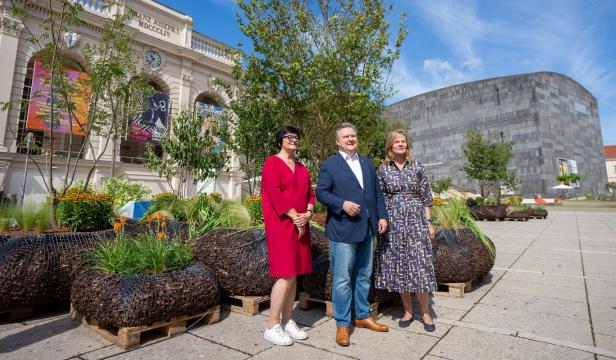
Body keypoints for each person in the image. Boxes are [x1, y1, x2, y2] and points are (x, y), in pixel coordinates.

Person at [316, 123, 389, 347]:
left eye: (353, 135)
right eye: (345, 136)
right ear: (337, 141)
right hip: (343, 229)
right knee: (342, 280)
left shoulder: (367, 163)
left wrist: (382, 217)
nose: (350, 139)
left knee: (364, 275)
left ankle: (362, 316)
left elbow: (377, 193)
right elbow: (321, 192)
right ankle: (342, 324)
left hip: (368, 228)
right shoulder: (330, 165)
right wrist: (342, 204)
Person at [373, 130, 437, 332]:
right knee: (400, 265)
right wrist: (382, 219)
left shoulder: (417, 166)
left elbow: (426, 196)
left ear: (407, 145)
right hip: (394, 223)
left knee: (419, 264)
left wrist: (428, 222)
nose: (401, 144)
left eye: (403, 141)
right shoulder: (383, 169)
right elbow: (380, 197)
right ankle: (408, 311)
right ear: (390, 146)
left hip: (416, 221)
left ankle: (426, 313)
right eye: (396, 142)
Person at [261, 126, 315, 346]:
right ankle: (271, 325)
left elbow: (311, 194)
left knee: (294, 274)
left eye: (296, 137)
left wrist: (308, 214)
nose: (293, 140)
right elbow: (274, 193)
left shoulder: (302, 168)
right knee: (285, 274)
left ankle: (288, 320)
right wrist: (295, 216)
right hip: (282, 224)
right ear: (280, 140)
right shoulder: (272, 163)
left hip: (301, 224)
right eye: (289, 137)